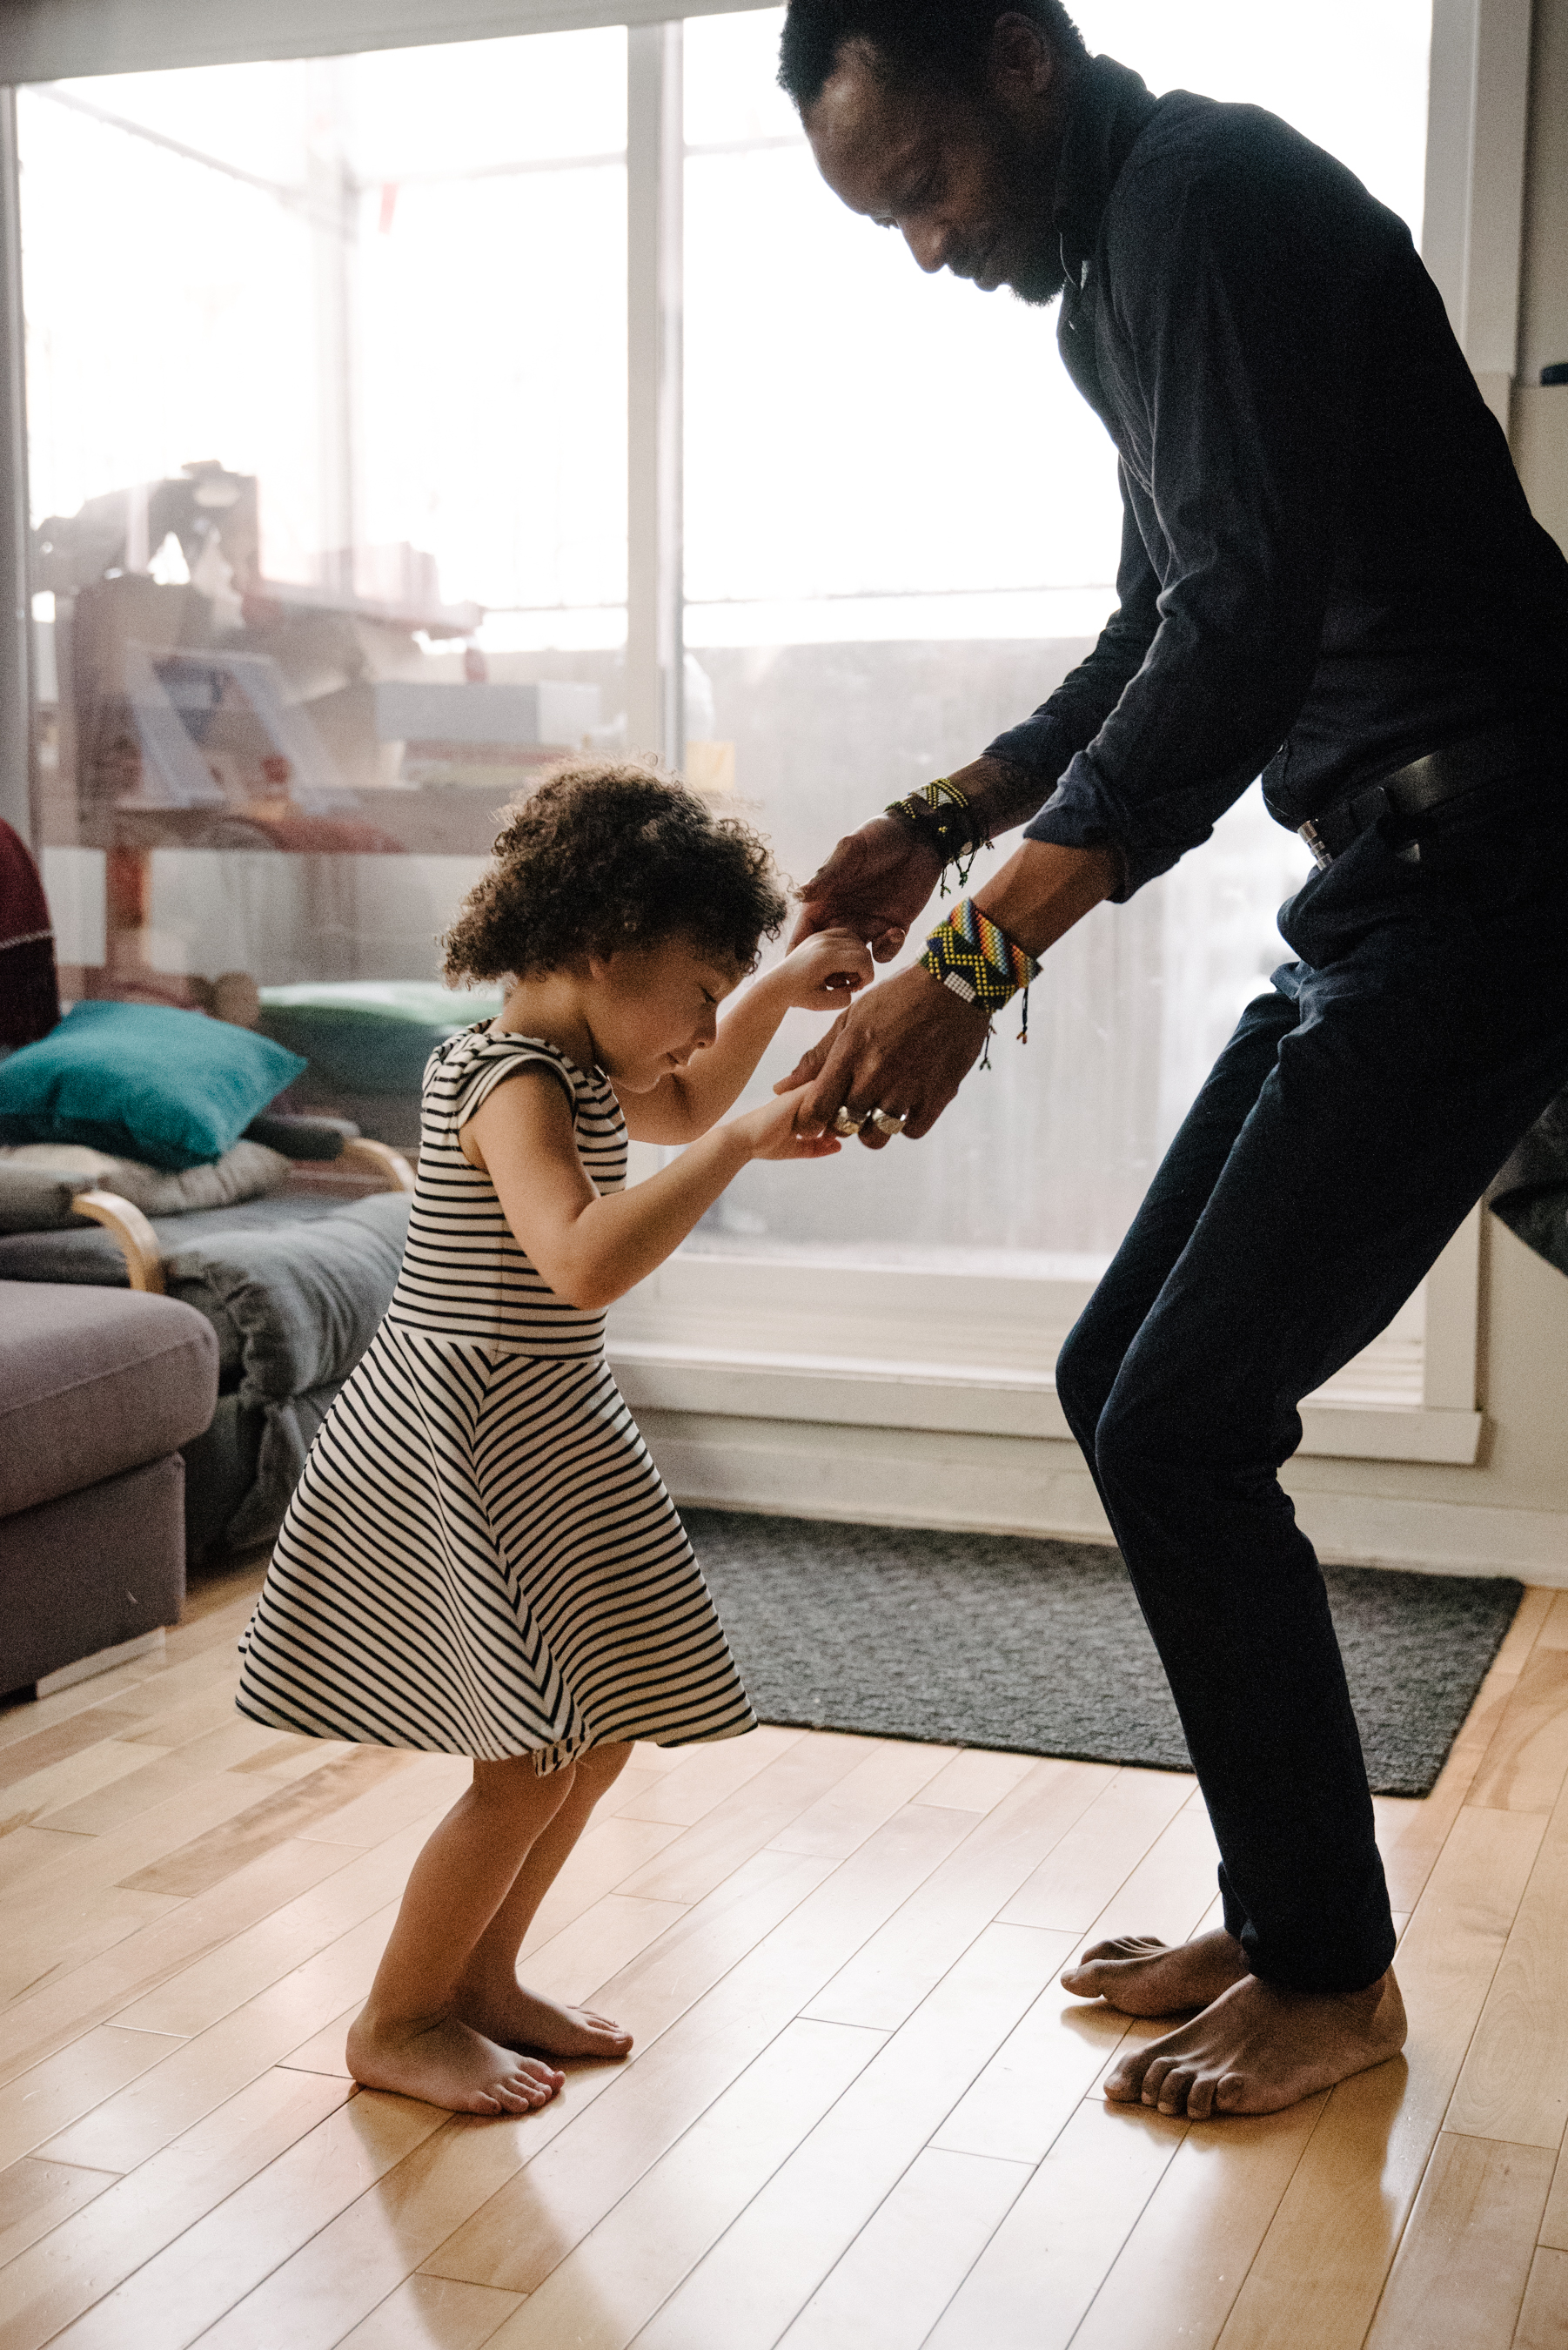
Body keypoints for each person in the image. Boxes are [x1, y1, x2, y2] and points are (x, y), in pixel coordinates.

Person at [774, 0, 1568, 2118]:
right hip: (1395, 879)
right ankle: (1291, 1897)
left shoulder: (1209, 193)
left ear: (1020, 60)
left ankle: (1332, 1973)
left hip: (1495, 863)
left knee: (1186, 1412)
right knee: (1125, 1385)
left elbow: (1240, 628)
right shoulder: (1113, 282)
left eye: (922, 185)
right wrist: (944, 816)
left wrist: (968, 957)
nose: (927, 252)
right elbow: (1155, 621)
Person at [236, 762, 870, 2117]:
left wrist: (771, 992)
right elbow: (581, 1261)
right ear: (600, 949)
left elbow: (687, 1107)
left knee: (598, 1733)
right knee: (522, 1760)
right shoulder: (504, 1074)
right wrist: (745, 1141)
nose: (703, 1026)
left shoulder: (581, 1057)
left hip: (543, 1429)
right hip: (459, 1437)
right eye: (699, 990)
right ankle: (396, 2019)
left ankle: (482, 1978)